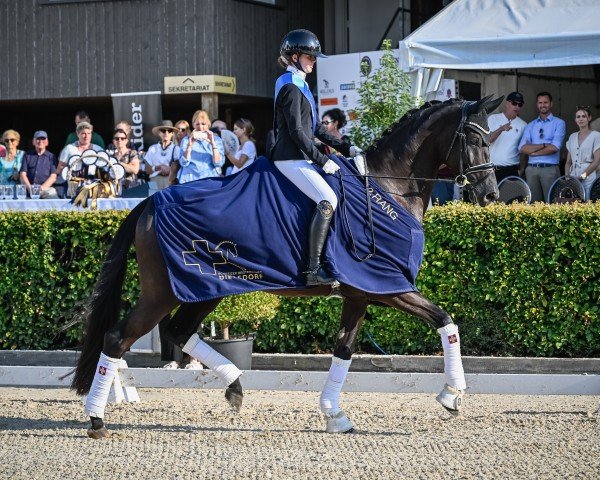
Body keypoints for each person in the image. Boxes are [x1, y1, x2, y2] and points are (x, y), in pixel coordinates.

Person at [272, 29, 352, 285]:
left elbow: (314, 128)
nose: (313, 62)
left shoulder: (301, 84)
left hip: (299, 156)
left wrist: (347, 148)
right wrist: (322, 160)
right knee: (327, 198)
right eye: (310, 57)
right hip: (289, 158)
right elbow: (297, 132)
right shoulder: (290, 86)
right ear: (294, 56)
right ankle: (313, 270)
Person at [519, 92, 566, 202]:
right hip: (531, 170)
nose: (542, 105)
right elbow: (522, 148)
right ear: (537, 104)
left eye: (545, 102)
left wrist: (533, 152)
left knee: (552, 203)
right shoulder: (530, 125)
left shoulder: (559, 123)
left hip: (549, 169)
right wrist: (544, 145)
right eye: (540, 102)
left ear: (551, 104)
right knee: (534, 205)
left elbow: (554, 147)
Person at [488, 92, 528, 183]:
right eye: (514, 103)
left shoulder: (524, 125)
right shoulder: (493, 119)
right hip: (491, 170)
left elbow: (524, 150)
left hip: (511, 170)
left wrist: (521, 169)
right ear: (507, 103)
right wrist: (501, 129)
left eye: (520, 104)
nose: (517, 106)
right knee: (491, 197)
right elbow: (487, 140)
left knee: (511, 197)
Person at [177, 110, 225, 183]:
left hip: (209, 179)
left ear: (208, 125)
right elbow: (183, 163)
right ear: (193, 125)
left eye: (203, 124)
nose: (200, 127)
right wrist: (189, 146)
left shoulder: (217, 140)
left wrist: (213, 143)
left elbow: (218, 163)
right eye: (197, 124)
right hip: (190, 179)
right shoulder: (186, 140)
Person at [58, 121, 103, 197]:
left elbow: (104, 167)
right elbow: (60, 167)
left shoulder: (98, 149)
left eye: (89, 133)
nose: (86, 136)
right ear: (78, 134)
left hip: (94, 186)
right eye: (83, 133)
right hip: (74, 186)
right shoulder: (69, 148)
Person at [564, 106, 600, 199]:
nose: (581, 119)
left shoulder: (596, 135)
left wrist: (583, 175)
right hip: (573, 177)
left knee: (587, 202)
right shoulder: (572, 136)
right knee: (573, 203)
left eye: (584, 116)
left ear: (589, 118)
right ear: (575, 120)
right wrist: (567, 177)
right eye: (578, 117)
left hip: (589, 175)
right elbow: (568, 162)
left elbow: (596, 161)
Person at [19, 131, 59, 199]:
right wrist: (30, 189)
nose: (40, 141)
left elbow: (53, 177)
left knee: (53, 195)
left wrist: (41, 188)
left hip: (45, 189)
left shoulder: (51, 156)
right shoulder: (27, 155)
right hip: (28, 190)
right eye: (38, 139)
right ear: (33, 142)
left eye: (43, 139)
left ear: (47, 142)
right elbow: (22, 175)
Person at [143, 121, 180, 190]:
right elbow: (147, 170)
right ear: (159, 133)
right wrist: (158, 167)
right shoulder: (152, 148)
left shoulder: (177, 149)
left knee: (169, 200)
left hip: (170, 180)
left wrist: (170, 169)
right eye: (163, 131)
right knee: (153, 200)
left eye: (169, 131)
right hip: (154, 180)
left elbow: (179, 167)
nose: (166, 133)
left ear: (172, 133)